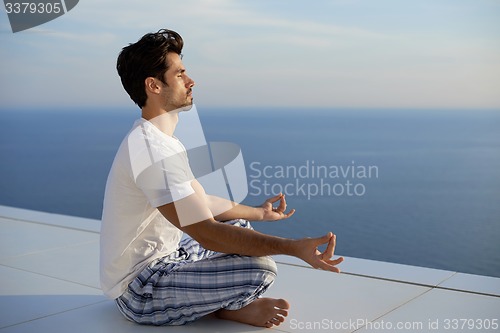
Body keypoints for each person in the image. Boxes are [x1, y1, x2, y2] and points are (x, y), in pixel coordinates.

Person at [100, 28, 344, 328]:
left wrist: (259, 213)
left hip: (168, 256)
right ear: (154, 85)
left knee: (239, 226)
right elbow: (205, 231)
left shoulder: (159, 140)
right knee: (260, 268)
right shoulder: (152, 151)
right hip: (140, 292)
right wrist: (293, 247)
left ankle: (217, 303)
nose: (191, 81)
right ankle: (223, 310)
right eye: (179, 74)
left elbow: (200, 202)